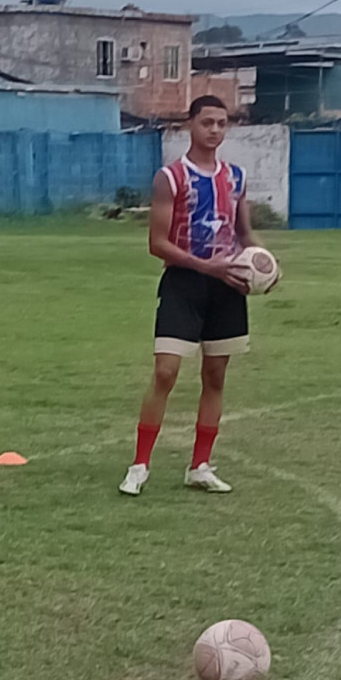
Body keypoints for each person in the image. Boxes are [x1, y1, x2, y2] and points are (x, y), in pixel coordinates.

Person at [120, 95, 262, 498]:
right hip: (183, 284)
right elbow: (157, 243)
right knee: (165, 372)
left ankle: (200, 466)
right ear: (190, 125)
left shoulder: (235, 177)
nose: (214, 130)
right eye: (207, 122)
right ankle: (139, 465)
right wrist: (206, 266)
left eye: (221, 123)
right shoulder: (171, 177)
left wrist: (262, 263)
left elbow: (244, 234)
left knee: (215, 376)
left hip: (227, 286)